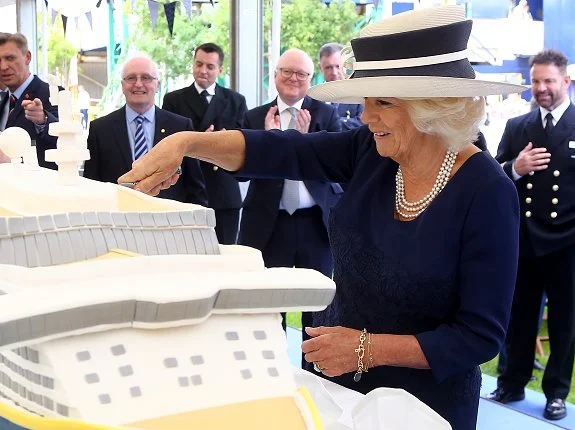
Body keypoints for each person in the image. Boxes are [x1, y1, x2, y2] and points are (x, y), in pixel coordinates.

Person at [118, 6, 524, 429]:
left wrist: (368, 349)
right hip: (335, 387)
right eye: (365, 101)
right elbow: (284, 150)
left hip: (425, 408)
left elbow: (479, 336)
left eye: (382, 102)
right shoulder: (372, 151)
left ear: (433, 107)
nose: (366, 116)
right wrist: (186, 143)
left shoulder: (488, 193)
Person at [488, 49, 575, 421]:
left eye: (549, 81)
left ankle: (556, 393)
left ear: (565, 81)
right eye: (536, 81)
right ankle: (511, 381)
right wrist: (514, 168)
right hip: (525, 238)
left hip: (567, 240)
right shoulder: (518, 126)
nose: (542, 88)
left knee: (564, 319)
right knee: (519, 315)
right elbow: (494, 178)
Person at [241, 48, 342, 362]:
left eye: (301, 74)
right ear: (275, 75)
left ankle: (316, 376)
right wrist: (270, 144)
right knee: (270, 306)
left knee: (318, 307)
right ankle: (271, 371)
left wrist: (301, 142)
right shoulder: (254, 116)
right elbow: (240, 172)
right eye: (287, 71)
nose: (293, 79)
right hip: (270, 225)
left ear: (310, 80)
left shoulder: (325, 114)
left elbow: (338, 170)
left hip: (315, 224)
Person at [84, 55, 207, 206]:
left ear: (158, 85)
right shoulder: (100, 129)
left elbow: (195, 188)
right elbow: (91, 187)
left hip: (169, 222)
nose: (138, 84)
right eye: (131, 78)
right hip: (116, 221)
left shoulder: (181, 128)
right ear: (122, 85)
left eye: (146, 78)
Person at [162, 42, 247, 243]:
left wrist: (220, 142)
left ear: (220, 70)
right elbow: (169, 144)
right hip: (186, 190)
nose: (203, 71)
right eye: (199, 64)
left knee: (225, 258)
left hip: (224, 192)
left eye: (210, 66)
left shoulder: (236, 100)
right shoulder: (174, 100)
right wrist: (201, 140)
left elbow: (242, 144)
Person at [0, 32, 58, 169]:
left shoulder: (51, 93)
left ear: (27, 57)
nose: (3, 67)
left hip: (39, 184)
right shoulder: (4, 100)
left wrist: (42, 120)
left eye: (10, 58)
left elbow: (63, 138)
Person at [318, 43, 363, 130]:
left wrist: (326, 123)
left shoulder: (360, 96)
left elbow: (363, 125)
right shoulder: (312, 98)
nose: (334, 72)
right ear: (320, 67)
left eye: (338, 66)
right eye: (328, 67)